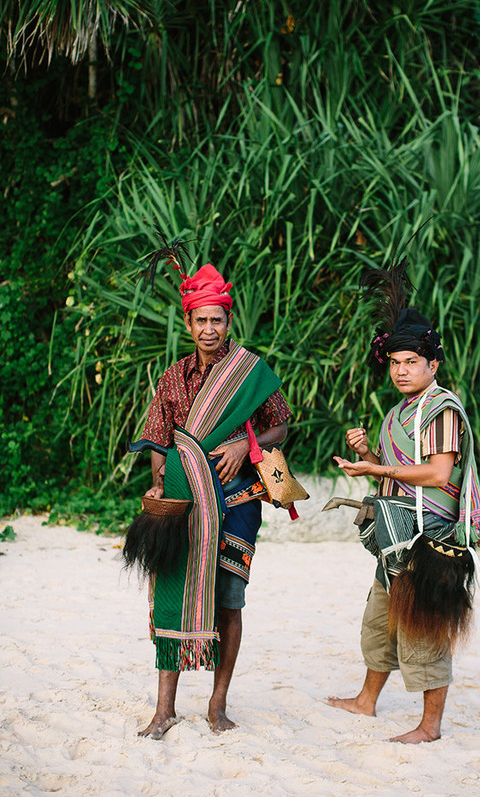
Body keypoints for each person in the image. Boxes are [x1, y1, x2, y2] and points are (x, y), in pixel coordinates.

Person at [125, 255, 292, 739]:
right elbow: (160, 438)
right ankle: (164, 710)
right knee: (172, 596)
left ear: (228, 319)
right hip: (185, 504)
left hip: (236, 504)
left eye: (217, 319)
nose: (209, 328)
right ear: (188, 321)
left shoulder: (249, 372)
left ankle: (217, 705)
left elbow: (280, 421)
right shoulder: (173, 377)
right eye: (201, 320)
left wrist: (246, 443)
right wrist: (159, 481)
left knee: (230, 600)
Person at [327, 264, 480, 744]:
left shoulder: (440, 409)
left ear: (432, 365)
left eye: (411, 362)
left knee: (424, 628)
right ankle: (365, 701)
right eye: (395, 362)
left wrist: (376, 470)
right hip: (397, 535)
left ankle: (430, 727)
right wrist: (367, 455)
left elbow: (438, 475)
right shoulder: (397, 412)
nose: (401, 370)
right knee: (381, 621)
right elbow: (396, 477)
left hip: (429, 539)